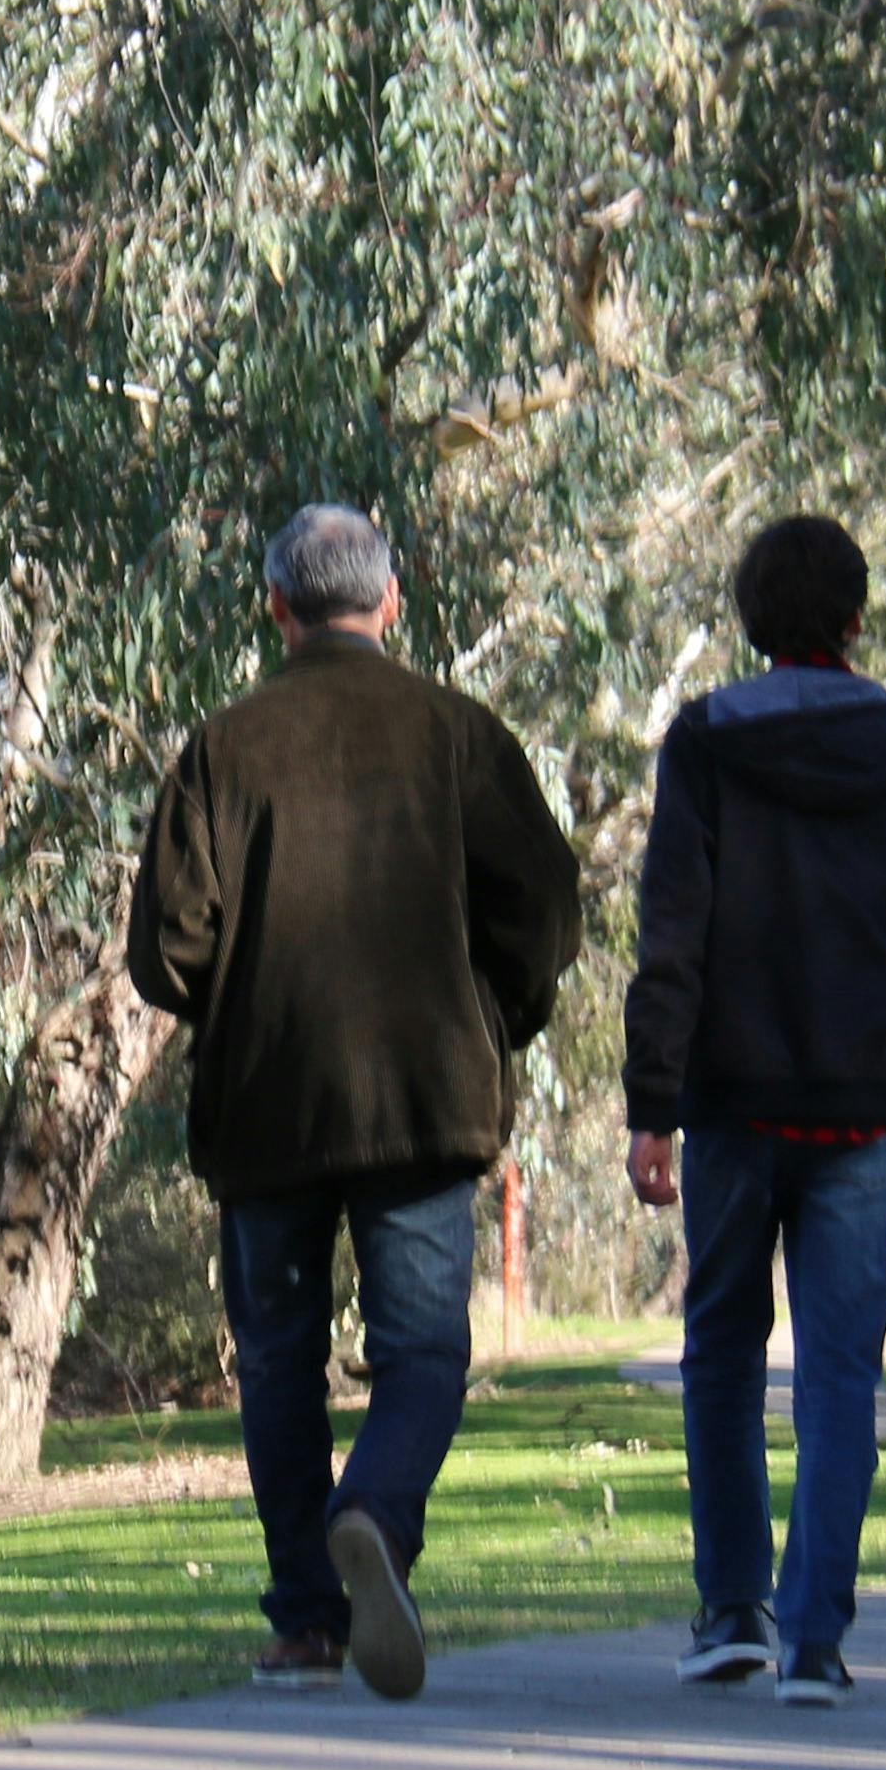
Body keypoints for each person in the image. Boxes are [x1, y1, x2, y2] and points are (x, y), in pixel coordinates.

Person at [129, 504, 582, 1700]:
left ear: (276, 608)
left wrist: (239, 996)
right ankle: (374, 1509)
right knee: (423, 1348)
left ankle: (306, 1624)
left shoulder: (222, 748)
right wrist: (495, 1016)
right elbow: (544, 906)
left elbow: (167, 947)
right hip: (425, 1095)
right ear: (391, 603)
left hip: (267, 1102)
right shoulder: (459, 733)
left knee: (278, 1362)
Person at [622, 514, 886, 1707]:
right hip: (865, 1099)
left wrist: (651, 1103)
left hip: (733, 1100)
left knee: (720, 1352)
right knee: (839, 1376)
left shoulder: (706, 741)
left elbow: (673, 933)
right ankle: (815, 1638)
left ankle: (732, 1611)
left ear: (752, 622)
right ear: (857, 617)